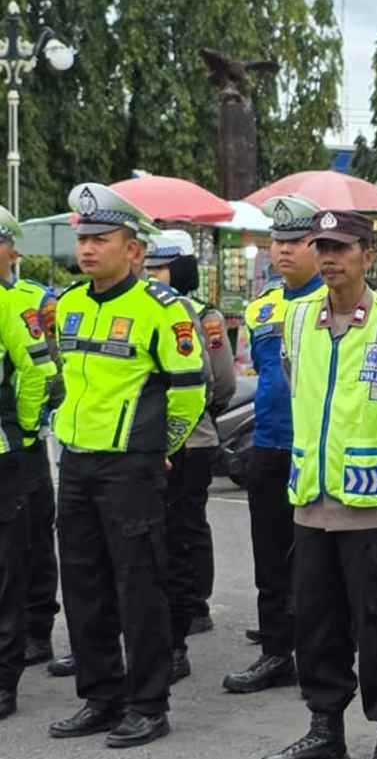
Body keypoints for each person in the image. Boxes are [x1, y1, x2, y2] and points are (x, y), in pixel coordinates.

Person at [258, 210, 377, 759]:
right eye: (322, 246)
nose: (329, 257)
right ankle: (325, 730)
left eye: (341, 247)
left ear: (368, 253)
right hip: (312, 504)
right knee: (316, 622)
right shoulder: (296, 321)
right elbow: (299, 387)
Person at [49, 183, 206, 747]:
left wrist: (161, 447)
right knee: (84, 583)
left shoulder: (163, 310)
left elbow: (191, 391)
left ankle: (147, 703)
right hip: (76, 463)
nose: (88, 249)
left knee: (139, 586)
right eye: (83, 238)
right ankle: (100, 696)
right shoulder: (67, 305)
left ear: (134, 250)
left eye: (101, 238)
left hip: (131, 468)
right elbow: (67, 377)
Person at [223, 194, 324, 693]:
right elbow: (256, 373)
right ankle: (275, 650)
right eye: (277, 241)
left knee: (317, 560)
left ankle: (319, 650)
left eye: (295, 241)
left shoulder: (336, 303)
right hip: (269, 444)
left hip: (319, 448)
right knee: (269, 556)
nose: (284, 250)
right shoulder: (261, 308)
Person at [145, 230, 235, 680]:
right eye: (150, 267)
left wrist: (196, 412)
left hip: (192, 440)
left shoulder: (204, 316)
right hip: (148, 442)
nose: (154, 276)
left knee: (185, 528)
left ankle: (193, 606)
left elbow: (221, 383)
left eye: (162, 268)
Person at [0, 212, 56, 721]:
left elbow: (43, 367)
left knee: (23, 548)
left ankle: (32, 638)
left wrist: (22, 424)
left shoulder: (25, 302)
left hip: (16, 445)